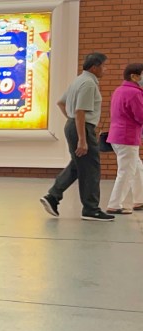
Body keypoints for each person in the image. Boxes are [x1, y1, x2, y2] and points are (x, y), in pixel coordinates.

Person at [40, 52, 114, 221]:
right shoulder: (89, 84)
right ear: (94, 67)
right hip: (82, 127)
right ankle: (91, 209)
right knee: (91, 168)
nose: (105, 69)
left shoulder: (78, 80)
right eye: (104, 66)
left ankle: (53, 196)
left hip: (74, 125)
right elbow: (80, 111)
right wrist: (82, 138)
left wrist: (72, 120)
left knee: (78, 164)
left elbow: (61, 103)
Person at [104, 62, 143, 214]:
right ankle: (114, 205)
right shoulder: (134, 93)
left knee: (137, 168)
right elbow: (140, 115)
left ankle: (140, 200)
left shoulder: (120, 90)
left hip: (117, 136)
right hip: (127, 137)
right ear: (134, 76)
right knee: (126, 171)